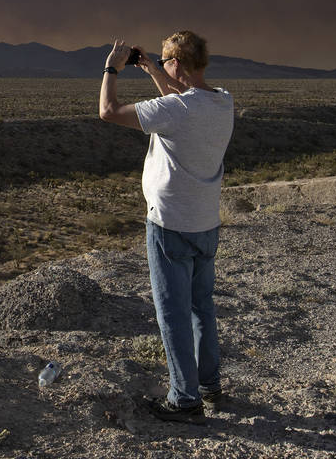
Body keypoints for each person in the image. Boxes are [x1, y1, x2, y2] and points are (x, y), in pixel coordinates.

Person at [98, 30, 234, 423]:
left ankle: (185, 399)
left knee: (172, 313)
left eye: (166, 61)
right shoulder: (222, 101)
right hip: (205, 224)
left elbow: (108, 111)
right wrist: (152, 68)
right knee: (200, 308)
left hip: (169, 224)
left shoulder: (176, 111)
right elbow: (180, 96)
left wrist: (113, 67)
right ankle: (209, 386)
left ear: (177, 64)